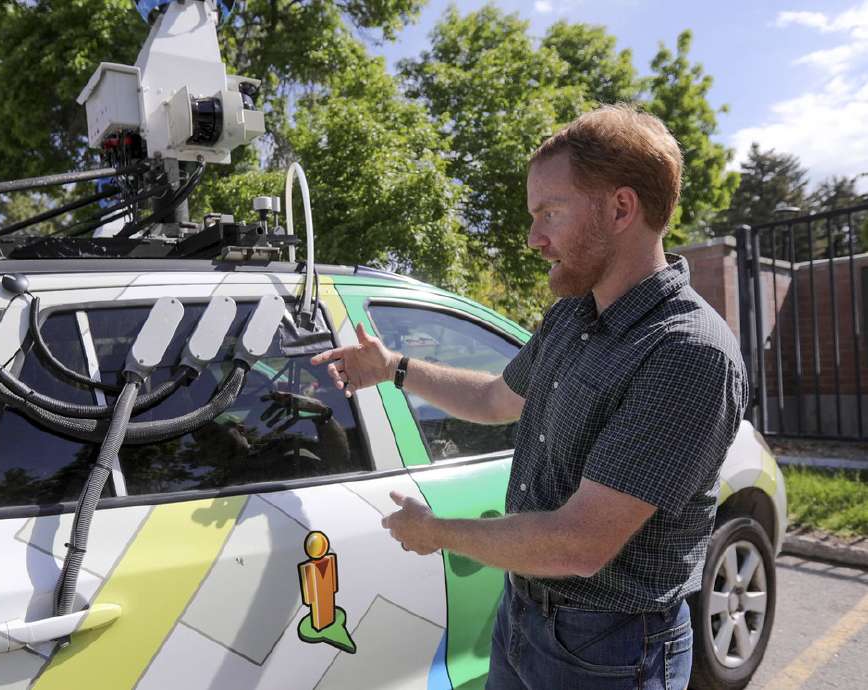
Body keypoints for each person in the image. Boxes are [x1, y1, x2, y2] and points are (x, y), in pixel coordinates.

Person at [310, 104, 747, 689]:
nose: (533, 238)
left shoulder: (688, 353)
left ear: (621, 208)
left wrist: (436, 532)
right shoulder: (573, 315)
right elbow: (495, 399)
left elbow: (579, 544)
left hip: (610, 651)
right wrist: (393, 368)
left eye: (549, 212)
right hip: (522, 616)